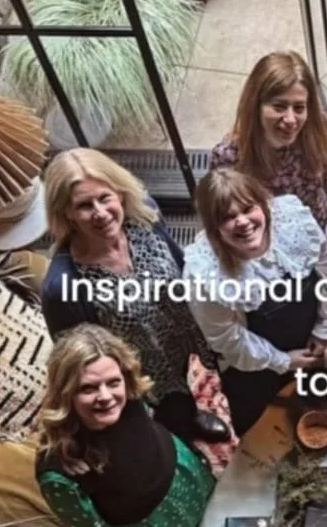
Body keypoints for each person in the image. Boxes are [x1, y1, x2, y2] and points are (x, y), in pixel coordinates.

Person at [41, 149, 228, 445]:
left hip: (187, 333)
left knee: (202, 381)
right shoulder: (63, 287)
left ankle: (194, 414)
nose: (100, 213)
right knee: (173, 413)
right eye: (84, 206)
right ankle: (183, 439)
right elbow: (82, 360)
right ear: (66, 212)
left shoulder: (145, 215)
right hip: (144, 369)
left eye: (104, 198)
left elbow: (181, 263)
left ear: (119, 192)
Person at [36, 326, 215, 527]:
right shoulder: (58, 469)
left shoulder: (129, 392)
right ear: (65, 393)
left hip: (186, 479)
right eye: (88, 388)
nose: (106, 397)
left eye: (113, 382)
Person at [184, 170, 327, 436]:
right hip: (252, 364)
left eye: (247, 209)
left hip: (309, 342)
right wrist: (282, 361)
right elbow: (225, 337)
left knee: (319, 405)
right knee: (260, 428)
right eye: (228, 217)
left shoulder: (293, 223)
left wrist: (324, 328)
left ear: (263, 204)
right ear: (214, 228)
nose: (242, 222)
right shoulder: (204, 272)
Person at [210, 50, 327, 229]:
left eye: (299, 108)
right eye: (279, 107)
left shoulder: (315, 128)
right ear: (256, 106)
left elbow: (326, 174)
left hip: (317, 232)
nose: (290, 120)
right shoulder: (228, 158)